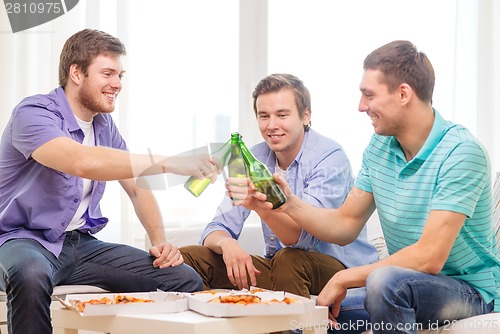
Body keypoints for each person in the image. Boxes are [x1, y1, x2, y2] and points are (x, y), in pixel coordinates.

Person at [241, 41, 500, 333]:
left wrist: (344, 278)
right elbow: (345, 223)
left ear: (403, 94)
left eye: (369, 95)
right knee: (302, 316)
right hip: (406, 283)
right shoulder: (381, 146)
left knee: (384, 281)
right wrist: (288, 203)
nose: (361, 106)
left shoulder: (461, 153)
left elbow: (430, 257)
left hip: (469, 290)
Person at [0, 29, 219, 334]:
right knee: (32, 273)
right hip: (22, 240)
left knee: (182, 279)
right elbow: (82, 161)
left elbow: (136, 187)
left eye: (120, 75)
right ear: (76, 73)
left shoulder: (104, 126)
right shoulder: (33, 114)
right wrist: (171, 163)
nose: (117, 84)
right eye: (107, 73)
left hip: (80, 245)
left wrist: (160, 242)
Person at [181, 73, 378, 329]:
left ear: (305, 116)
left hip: (338, 270)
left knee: (289, 259)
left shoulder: (329, 156)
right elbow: (216, 227)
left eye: (282, 115)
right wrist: (227, 242)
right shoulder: (254, 156)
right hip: (281, 269)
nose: (272, 125)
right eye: (264, 116)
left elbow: (300, 238)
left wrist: (259, 207)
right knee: (192, 258)